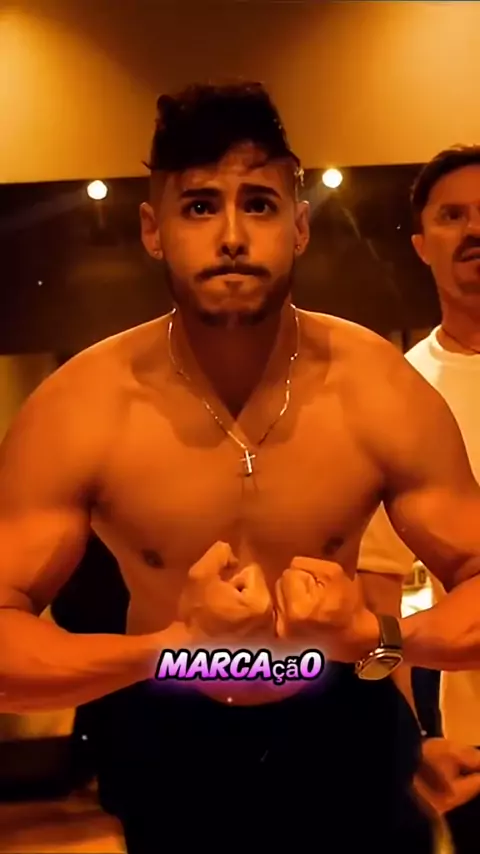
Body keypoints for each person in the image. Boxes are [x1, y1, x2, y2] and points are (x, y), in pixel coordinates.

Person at [1, 82, 480, 852]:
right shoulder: (80, 407)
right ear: (153, 230)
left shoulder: (379, 388)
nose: (230, 236)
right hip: (172, 732)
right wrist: (171, 648)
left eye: (258, 204)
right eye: (199, 206)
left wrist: (375, 634)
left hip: (344, 726)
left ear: (299, 227)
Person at [358, 144, 480, 850]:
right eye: (451, 216)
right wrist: (412, 738)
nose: (473, 229)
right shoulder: (400, 395)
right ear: (421, 245)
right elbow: (374, 589)